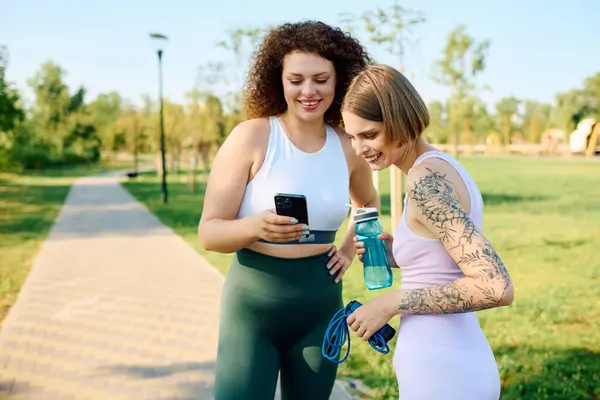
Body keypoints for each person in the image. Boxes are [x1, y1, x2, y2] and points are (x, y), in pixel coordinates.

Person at [197, 21, 379, 400]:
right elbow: (209, 233)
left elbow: (369, 204)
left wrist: (348, 249)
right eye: (296, 80)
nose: (308, 91)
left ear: (339, 81)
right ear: (278, 80)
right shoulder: (252, 136)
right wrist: (255, 228)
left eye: (320, 79)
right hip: (252, 307)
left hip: (320, 306)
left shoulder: (349, 146)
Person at [341, 64, 515, 400]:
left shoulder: (424, 183)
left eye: (370, 134)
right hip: (451, 362)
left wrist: (391, 302)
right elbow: (443, 265)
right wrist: (399, 255)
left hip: (445, 374)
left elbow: (496, 287)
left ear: (400, 121)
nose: (359, 148)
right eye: (352, 136)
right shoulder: (441, 166)